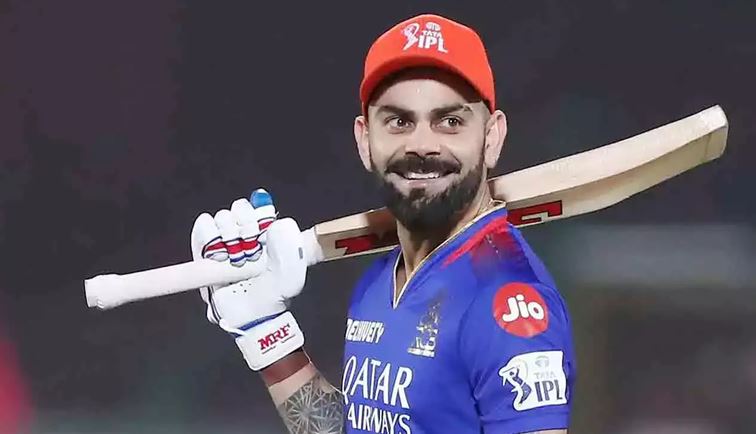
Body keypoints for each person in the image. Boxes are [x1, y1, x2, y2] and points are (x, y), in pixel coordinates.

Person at [190, 13, 575, 434]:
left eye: (450, 121)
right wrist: (268, 334)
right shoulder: (379, 281)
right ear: (364, 140)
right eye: (399, 121)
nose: (422, 145)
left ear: (492, 136)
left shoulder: (507, 305)